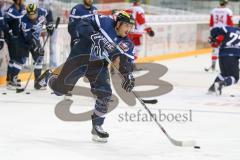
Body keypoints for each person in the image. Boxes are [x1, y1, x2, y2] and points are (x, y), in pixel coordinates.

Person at [36, 11, 136, 143]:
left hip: (98, 66)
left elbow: (125, 63)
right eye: (127, 26)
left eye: (131, 26)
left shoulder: (127, 44)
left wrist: (128, 75)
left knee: (105, 94)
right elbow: (83, 22)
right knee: (59, 91)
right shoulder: (105, 22)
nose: (129, 29)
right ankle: (49, 77)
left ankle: (97, 126)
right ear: (118, 23)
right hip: (79, 58)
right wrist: (94, 36)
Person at [15, 3, 54, 90]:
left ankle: (37, 81)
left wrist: (50, 24)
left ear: (37, 11)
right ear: (27, 13)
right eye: (30, 15)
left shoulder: (42, 12)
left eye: (34, 14)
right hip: (24, 41)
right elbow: (28, 37)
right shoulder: (24, 20)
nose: (32, 17)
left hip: (35, 38)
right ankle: (13, 80)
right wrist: (37, 46)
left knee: (39, 58)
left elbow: (49, 14)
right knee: (21, 60)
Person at [208, 25, 240, 95]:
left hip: (222, 55)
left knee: (224, 74)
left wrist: (213, 37)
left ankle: (212, 89)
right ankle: (221, 84)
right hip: (233, 57)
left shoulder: (229, 28)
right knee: (235, 77)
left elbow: (213, 30)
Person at [4, 0, 26, 89]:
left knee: (13, 59)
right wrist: (10, 33)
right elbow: (5, 23)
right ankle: (12, 79)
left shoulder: (22, 8)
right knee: (19, 59)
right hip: (14, 39)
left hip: (20, 38)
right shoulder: (11, 10)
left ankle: (10, 79)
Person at [127, 0, 154, 71]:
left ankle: (127, 64)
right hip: (137, 32)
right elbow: (142, 21)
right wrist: (149, 29)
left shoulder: (129, 9)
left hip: (129, 32)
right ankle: (131, 65)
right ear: (138, 2)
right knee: (137, 49)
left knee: (129, 48)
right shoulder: (139, 9)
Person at [208, 0, 233, 71]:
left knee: (215, 48)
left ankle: (213, 64)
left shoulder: (213, 10)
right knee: (224, 48)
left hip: (214, 30)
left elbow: (211, 22)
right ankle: (224, 66)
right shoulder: (228, 11)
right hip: (224, 31)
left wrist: (211, 32)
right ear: (226, 4)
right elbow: (230, 23)